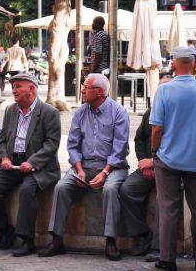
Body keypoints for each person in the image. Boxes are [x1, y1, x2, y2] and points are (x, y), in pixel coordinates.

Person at [38, 73, 129, 260]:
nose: (82, 90)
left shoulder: (118, 112)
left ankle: (110, 241)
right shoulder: (80, 112)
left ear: (100, 92)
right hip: (84, 165)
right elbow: (72, 145)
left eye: (86, 87)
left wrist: (104, 173)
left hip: (113, 166)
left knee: (110, 189)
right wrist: (79, 171)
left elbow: (120, 149)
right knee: (61, 187)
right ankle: (56, 239)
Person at [151, 46, 196, 271]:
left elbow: (156, 128)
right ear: (195, 64)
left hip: (168, 159)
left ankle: (167, 259)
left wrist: (154, 151)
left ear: (173, 64)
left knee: (168, 209)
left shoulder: (164, 91)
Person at [0, 73, 61, 257]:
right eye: (13, 87)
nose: (14, 90)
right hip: (13, 163)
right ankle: (5, 229)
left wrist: (32, 162)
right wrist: (4, 158)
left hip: (39, 167)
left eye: (18, 86)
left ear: (31, 89)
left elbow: (52, 144)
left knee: (27, 190)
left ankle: (26, 240)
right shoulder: (11, 110)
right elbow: (2, 139)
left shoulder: (49, 112)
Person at [119, 75, 173, 262]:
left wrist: (154, 162)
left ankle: (159, 247)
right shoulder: (151, 112)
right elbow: (139, 139)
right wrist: (143, 162)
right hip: (148, 166)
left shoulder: (177, 113)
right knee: (127, 189)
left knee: (162, 200)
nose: (163, 92)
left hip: (170, 168)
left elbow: (176, 146)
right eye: (160, 89)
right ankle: (141, 234)